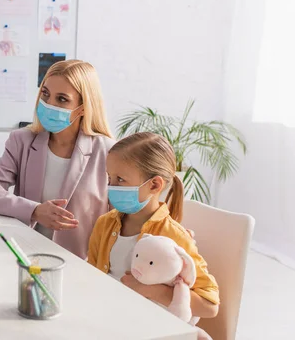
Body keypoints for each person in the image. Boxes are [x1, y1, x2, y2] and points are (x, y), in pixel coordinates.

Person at [0, 60, 114, 259]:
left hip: (81, 264)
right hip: (25, 257)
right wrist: (35, 210)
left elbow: (119, 222)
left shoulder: (108, 151)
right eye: (45, 94)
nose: (49, 104)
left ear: (83, 107)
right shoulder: (21, 140)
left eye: (62, 99)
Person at [87, 132, 219, 318]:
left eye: (120, 180)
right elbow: (91, 274)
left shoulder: (174, 236)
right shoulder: (104, 224)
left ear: (155, 185)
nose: (111, 186)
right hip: (107, 317)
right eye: (110, 178)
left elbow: (209, 306)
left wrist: (152, 291)